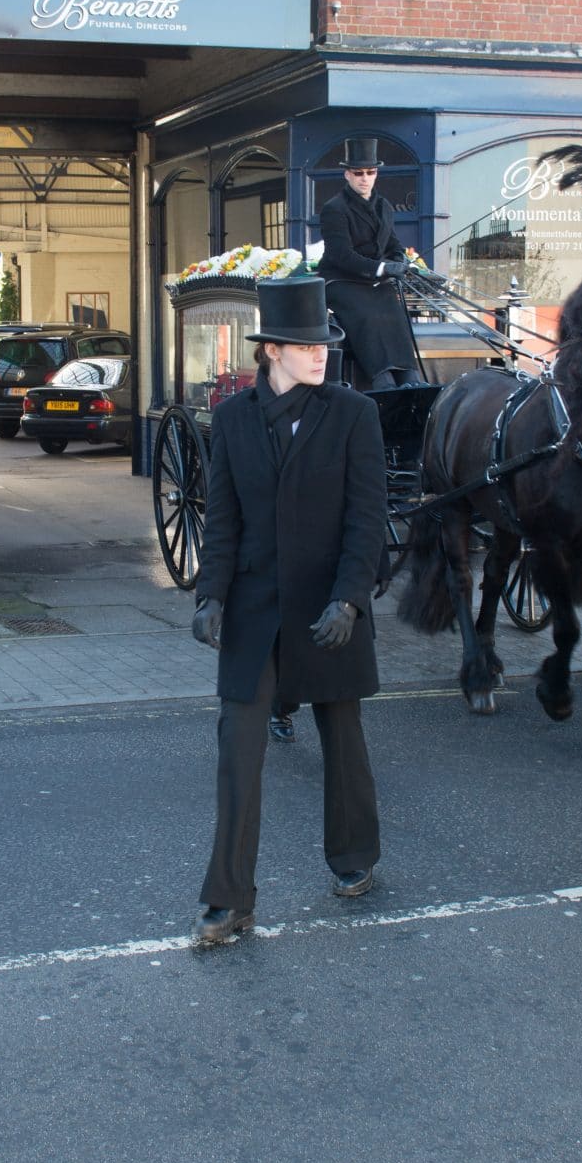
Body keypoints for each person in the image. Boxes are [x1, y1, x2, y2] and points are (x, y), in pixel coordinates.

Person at [189, 276, 388, 946]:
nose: (321, 353)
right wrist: (210, 593)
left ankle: (355, 855)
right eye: (306, 344)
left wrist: (351, 599)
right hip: (254, 611)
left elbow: (367, 522)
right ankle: (229, 898)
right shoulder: (235, 420)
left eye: (325, 343)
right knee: (237, 751)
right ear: (271, 349)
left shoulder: (354, 415)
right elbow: (222, 519)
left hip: (329, 606)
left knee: (343, 740)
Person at [313, 137, 423, 389]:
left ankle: (409, 379)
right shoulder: (335, 208)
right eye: (358, 172)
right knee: (368, 313)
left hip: (373, 282)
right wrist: (382, 268)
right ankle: (381, 381)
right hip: (340, 281)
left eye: (370, 172)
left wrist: (399, 260)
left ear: (376, 174)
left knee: (394, 313)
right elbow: (341, 254)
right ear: (347, 175)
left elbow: (393, 243)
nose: (365, 178)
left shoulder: (384, 206)